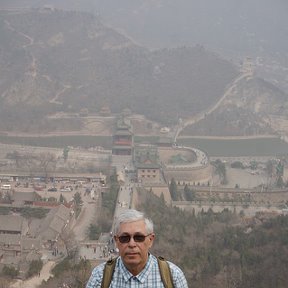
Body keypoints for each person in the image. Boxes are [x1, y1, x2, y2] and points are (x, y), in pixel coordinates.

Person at [86, 209, 188, 287]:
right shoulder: (100, 276)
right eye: (124, 238)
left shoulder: (173, 276)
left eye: (139, 238)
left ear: (150, 240)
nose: (131, 244)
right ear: (116, 241)